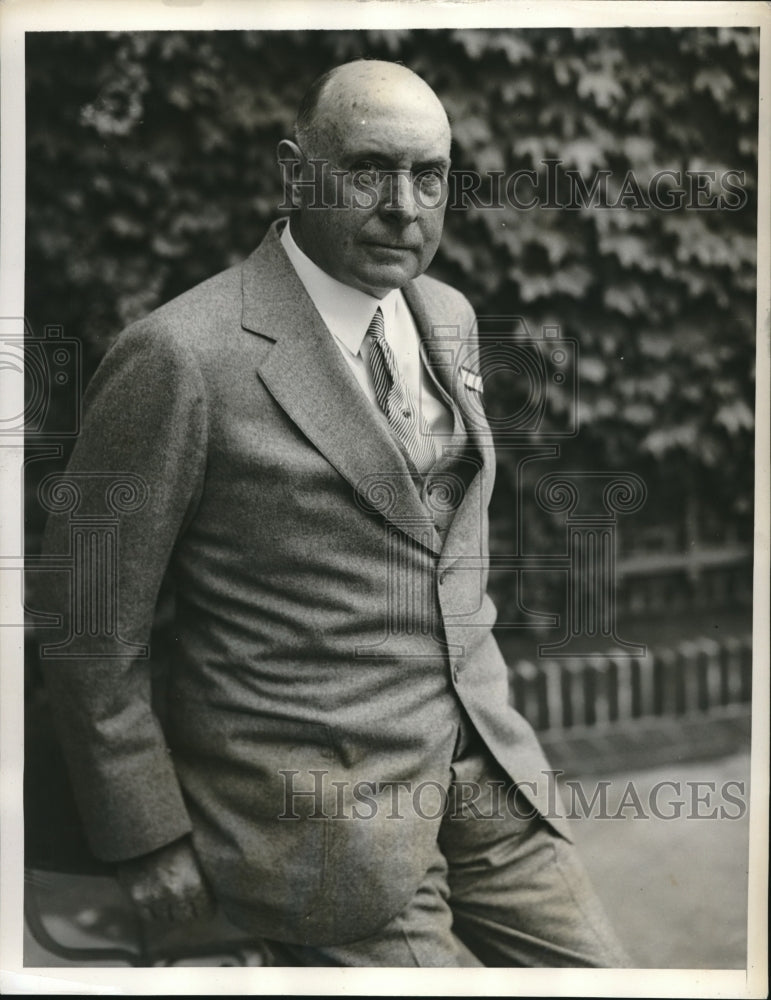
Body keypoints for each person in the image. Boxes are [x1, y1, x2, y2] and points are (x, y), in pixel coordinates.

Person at [39, 59, 629, 967]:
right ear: (295, 171)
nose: (403, 204)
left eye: (428, 177)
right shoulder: (180, 356)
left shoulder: (449, 316)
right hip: (323, 830)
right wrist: (145, 836)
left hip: (489, 781)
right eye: (367, 170)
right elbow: (85, 623)